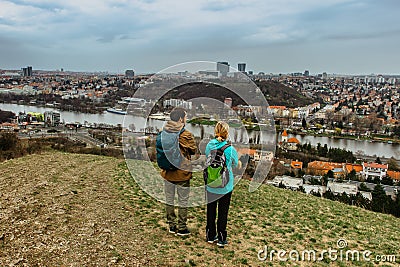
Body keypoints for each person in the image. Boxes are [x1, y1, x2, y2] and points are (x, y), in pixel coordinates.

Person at [160, 107, 197, 236]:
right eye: (185, 117)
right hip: (182, 173)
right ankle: (182, 227)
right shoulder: (185, 135)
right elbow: (193, 150)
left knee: (169, 200)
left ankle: (171, 225)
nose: (186, 119)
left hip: (168, 172)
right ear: (181, 119)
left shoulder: (164, 132)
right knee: (183, 201)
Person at [205, 121, 241, 247]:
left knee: (211, 210)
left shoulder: (209, 145)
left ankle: (210, 235)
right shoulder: (230, 149)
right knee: (223, 212)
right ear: (227, 133)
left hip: (210, 183)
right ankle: (221, 238)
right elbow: (235, 164)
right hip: (225, 186)